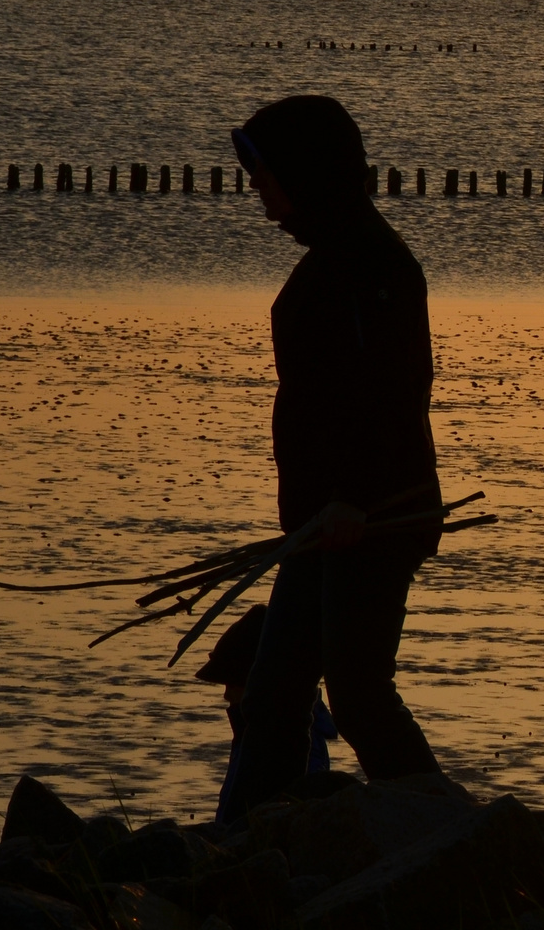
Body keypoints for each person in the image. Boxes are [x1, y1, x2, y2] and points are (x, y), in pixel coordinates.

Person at [216, 95, 444, 823]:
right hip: (326, 519)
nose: (257, 187)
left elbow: (390, 395)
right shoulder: (334, 256)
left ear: (308, 173)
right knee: (277, 683)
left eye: (266, 172)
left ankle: (448, 828)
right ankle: (244, 838)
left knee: (356, 691)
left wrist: (350, 497)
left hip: (374, 515)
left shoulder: (375, 265)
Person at [195, 604, 337, 823]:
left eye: (234, 684)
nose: (227, 695)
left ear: (260, 684)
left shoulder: (303, 745)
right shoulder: (249, 732)